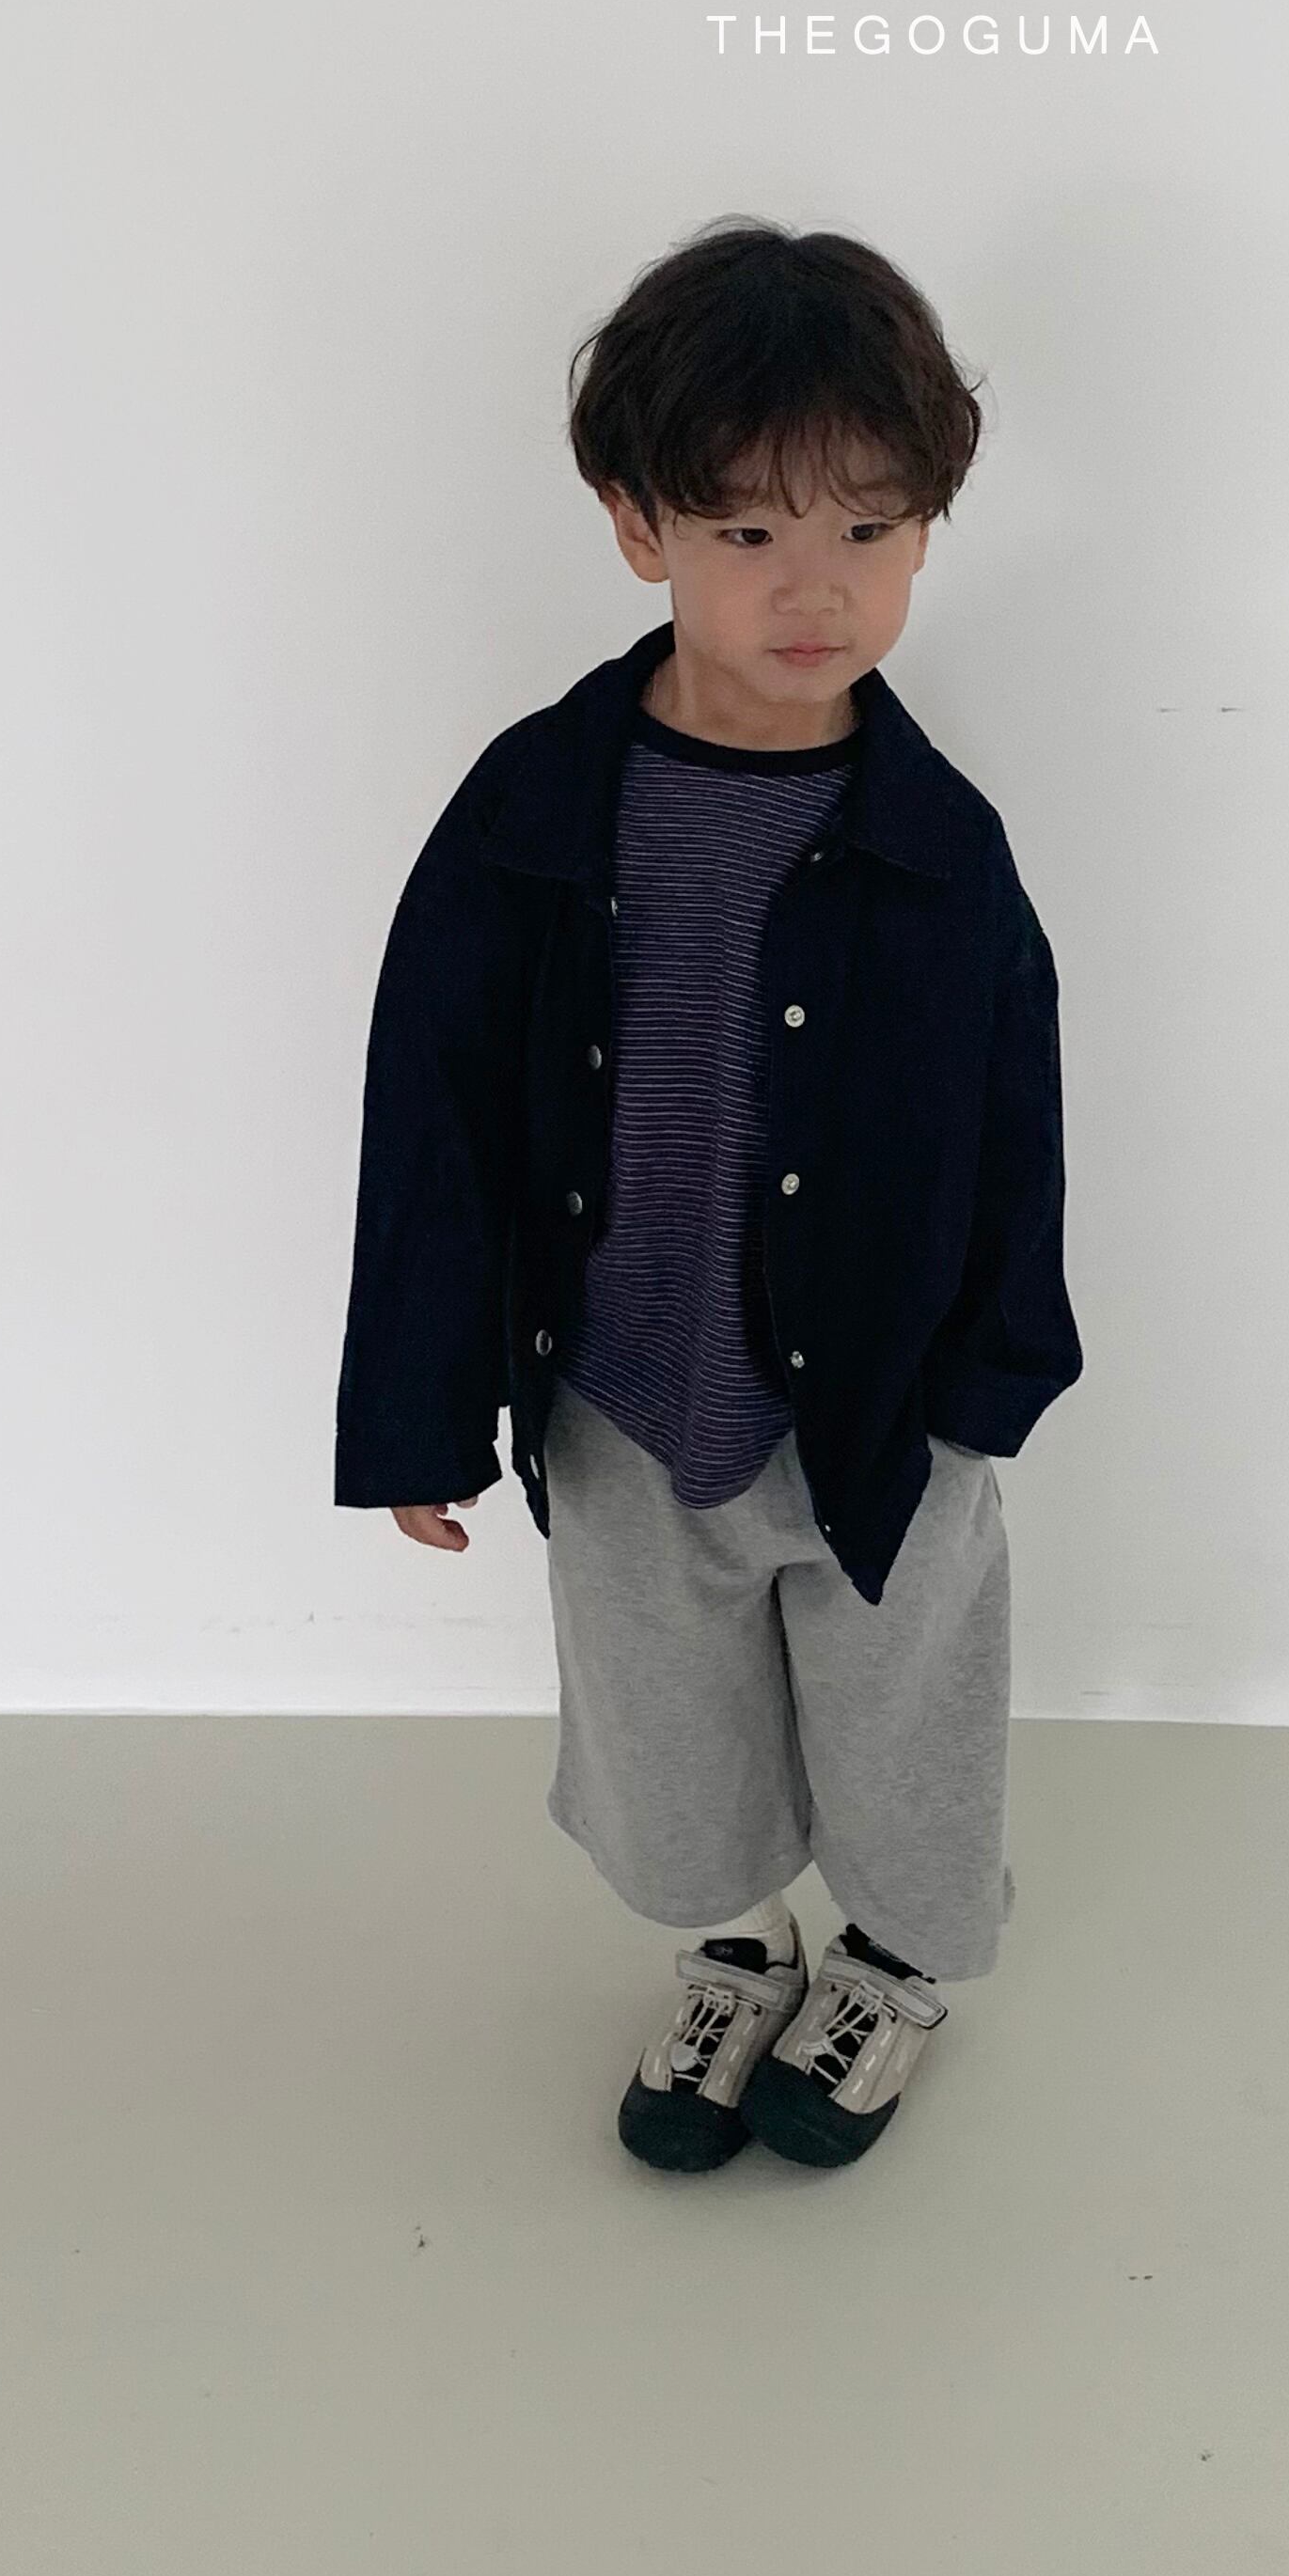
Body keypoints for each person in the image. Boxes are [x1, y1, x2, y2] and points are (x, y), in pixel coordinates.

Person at [334, 217, 1081, 2174]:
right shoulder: (531, 812)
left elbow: (1018, 1119)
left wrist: (991, 1382)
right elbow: (435, 1117)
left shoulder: (939, 846)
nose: (811, 586)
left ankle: (890, 1971)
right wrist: (418, 1403)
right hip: (622, 1399)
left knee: (908, 1729)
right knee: (668, 1737)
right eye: (747, 530)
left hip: (886, 1409)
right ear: (635, 524)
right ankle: (741, 1948)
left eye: (866, 528)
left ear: (927, 530)